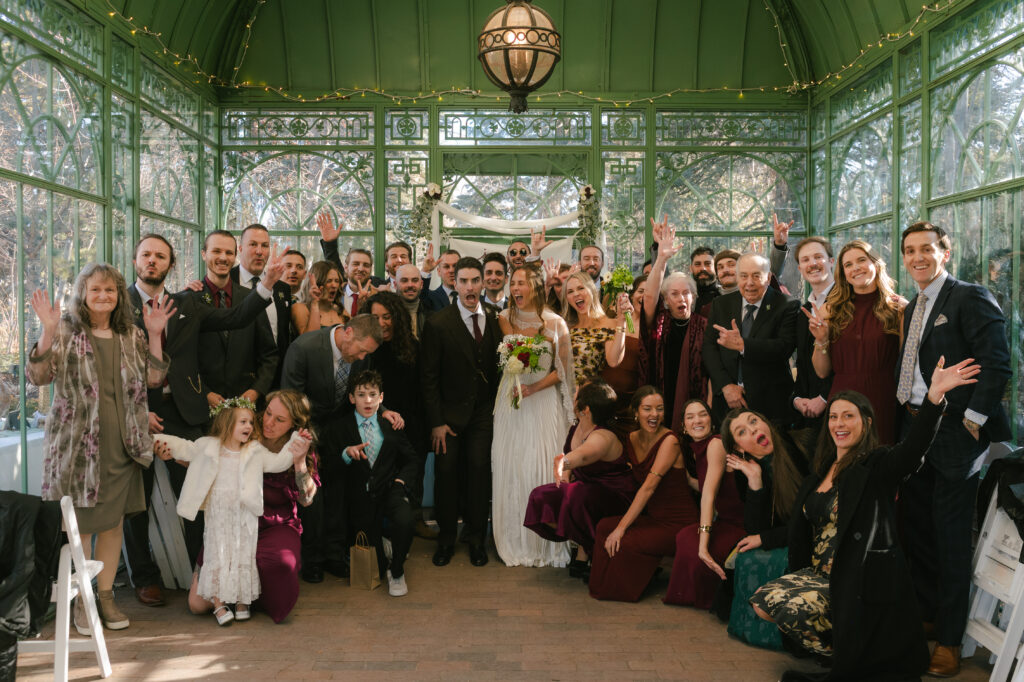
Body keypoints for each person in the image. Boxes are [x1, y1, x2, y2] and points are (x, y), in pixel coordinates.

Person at [751, 359, 979, 681]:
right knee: (762, 604)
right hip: (818, 574)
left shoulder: (877, 467)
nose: (839, 423)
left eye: (848, 416)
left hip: (854, 581)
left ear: (867, 422)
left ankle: (854, 655)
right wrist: (764, 536)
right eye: (833, 416)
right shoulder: (820, 471)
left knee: (791, 609)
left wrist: (934, 399)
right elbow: (799, 527)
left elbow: (913, 450)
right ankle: (846, 650)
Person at [124, 233, 285, 607]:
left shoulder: (189, 304)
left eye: (160, 256)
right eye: (146, 255)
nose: (152, 261)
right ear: (135, 261)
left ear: (171, 264)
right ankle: (145, 578)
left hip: (183, 412)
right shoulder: (121, 304)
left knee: (200, 494)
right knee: (137, 500)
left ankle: (205, 573)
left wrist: (266, 285)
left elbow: (236, 315)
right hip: (135, 414)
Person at [895, 221, 1012, 677]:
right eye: (909, 251)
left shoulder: (969, 296)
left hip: (956, 433)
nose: (918, 257)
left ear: (946, 252)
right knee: (920, 529)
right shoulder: (913, 307)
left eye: (927, 249)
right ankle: (930, 616)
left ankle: (950, 640)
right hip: (918, 426)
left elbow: (997, 363)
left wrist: (972, 421)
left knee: (948, 537)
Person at [27, 265, 171, 633]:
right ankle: (82, 603)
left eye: (111, 289)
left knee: (112, 524)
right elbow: (39, 376)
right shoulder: (66, 332)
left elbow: (154, 378)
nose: (104, 295)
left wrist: (155, 334)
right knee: (80, 529)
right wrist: (46, 330)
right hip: (77, 451)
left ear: (119, 295)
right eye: (96, 290)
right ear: (83, 293)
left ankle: (106, 598)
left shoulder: (131, 335)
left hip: (123, 446)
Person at [154, 398, 312, 625]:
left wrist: (296, 450)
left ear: (292, 424)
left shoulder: (253, 451)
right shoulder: (209, 446)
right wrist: (157, 442)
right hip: (219, 516)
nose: (260, 423)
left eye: (279, 419)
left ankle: (243, 599)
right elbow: (186, 449)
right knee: (215, 559)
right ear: (228, 424)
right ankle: (219, 603)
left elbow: (279, 463)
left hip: (248, 517)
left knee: (243, 554)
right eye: (266, 414)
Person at [280, 314, 383, 583]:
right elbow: (290, 400)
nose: (362, 358)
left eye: (367, 354)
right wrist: (308, 442)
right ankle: (312, 559)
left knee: (339, 492)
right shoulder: (304, 348)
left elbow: (360, 392)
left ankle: (334, 555)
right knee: (313, 496)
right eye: (361, 350)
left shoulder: (362, 355)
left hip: (340, 430)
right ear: (347, 333)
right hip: (306, 428)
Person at [420, 256, 501, 568]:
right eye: (463, 281)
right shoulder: (438, 323)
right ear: (454, 283)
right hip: (448, 418)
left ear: (482, 283)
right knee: (446, 476)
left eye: (474, 281)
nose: (469, 287)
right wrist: (436, 422)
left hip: (483, 414)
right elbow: (428, 378)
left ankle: (477, 539)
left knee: (480, 474)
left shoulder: (496, 318)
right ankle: (445, 541)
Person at [492, 265, 575, 567]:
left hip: (542, 402)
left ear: (536, 287)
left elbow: (562, 371)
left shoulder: (556, 323)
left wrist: (534, 388)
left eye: (522, 283)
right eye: (513, 282)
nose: (516, 288)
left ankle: (545, 540)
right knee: (512, 464)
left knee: (538, 464)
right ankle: (513, 537)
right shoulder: (503, 318)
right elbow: (508, 354)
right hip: (511, 399)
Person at [589, 387, 699, 602]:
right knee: (604, 526)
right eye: (647, 409)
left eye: (659, 409)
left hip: (679, 523)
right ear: (636, 412)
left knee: (624, 539)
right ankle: (601, 585)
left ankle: (617, 590)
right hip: (655, 519)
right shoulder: (631, 438)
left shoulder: (670, 441)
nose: (654, 415)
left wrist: (622, 528)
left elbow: (648, 487)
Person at [524, 381, 636, 573]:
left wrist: (563, 464)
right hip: (586, 490)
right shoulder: (577, 427)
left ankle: (589, 550)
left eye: (577, 393)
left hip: (615, 495)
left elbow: (583, 455)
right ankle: (585, 542)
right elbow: (570, 453)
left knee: (576, 495)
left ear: (586, 409)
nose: (573, 394)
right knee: (541, 496)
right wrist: (566, 475)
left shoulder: (604, 436)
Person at [719, 406, 805, 648]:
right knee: (744, 555)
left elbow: (809, 524)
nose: (754, 429)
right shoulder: (746, 469)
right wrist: (755, 481)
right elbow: (754, 528)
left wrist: (766, 540)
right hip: (785, 535)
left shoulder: (797, 447)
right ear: (738, 447)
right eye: (742, 431)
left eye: (754, 421)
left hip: (807, 537)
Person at [805, 240, 904, 444]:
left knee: (880, 459)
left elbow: (908, 363)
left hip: (884, 397)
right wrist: (821, 340)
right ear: (843, 273)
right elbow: (822, 372)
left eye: (861, 260)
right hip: (842, 398)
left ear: (876, 264)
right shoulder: (830, 310)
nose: (855, 268)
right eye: (848, 265)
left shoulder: (899, 308)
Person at [336, 370, 418, 597]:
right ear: (352, 398)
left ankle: (398, 570)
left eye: (373, 394)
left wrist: (401, 483)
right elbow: (331, 464)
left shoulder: (391, 425)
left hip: (390, 490)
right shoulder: (342, 427)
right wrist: (345, 453)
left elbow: (412, 459)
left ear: (381, 397)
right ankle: (385, 547)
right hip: (360, 499)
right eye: (361, 395)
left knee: (405, 519)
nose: (368, 400)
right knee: (375, 567)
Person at [665, 399, 745, 609]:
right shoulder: (697, 449)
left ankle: (710, 600)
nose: (697, 421)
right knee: (683, 536)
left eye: (703, 414)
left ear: (711, 419)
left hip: (741, 524)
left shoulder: (716, 444)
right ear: (683, 425)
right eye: (690, 417)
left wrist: (704, 546)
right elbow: (705, 485)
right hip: (727, 521)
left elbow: (708, 495)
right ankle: (691, 596)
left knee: (696, 545)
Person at [703, 252, 799, 426]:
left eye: (757, 276)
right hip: (727, 401)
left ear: (768, 278)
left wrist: (743, 345)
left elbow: (783, 347)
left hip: (771, 404)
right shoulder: (721, 304)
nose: (749, 283)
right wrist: (725, 386)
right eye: (744, 276)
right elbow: (709, 348)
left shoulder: (787, 305)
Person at [639, 219, 708, 434]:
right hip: (660, 398)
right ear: (666, 300)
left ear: (694, 297)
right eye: (674, 294)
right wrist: (661, 258)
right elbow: (649, 295)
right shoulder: (660, 320)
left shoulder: (704, 325)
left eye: (686, 293)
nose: (681, 298)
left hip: (695, 402)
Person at [197, 230, 278, 408]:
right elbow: (183, 359)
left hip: (245, 404)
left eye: (228, 253)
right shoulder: (190, 298)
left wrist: (256, 390)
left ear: (236, 255)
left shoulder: (252, 298)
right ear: (204, 254)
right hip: (202, 405)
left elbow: (269, 354)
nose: (223, 258)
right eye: (216, 251)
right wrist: (205, 392)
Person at [773, 235, 835, 442]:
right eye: (806, 260)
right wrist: (798, 398)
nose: (813, 264)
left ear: (831, 262)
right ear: (799, 269)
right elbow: (803, 363)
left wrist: (825, 398)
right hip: (808, 412)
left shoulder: (845, 303)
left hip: (837, 406)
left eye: (819, 257)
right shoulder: (804, 311)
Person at [233, 224, 295, 381]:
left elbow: (282, 335)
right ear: (240, 248)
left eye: (265, 245)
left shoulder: (282, 289)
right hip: (234, 377)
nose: (259, 251)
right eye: (253, 244)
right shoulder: (225, 281)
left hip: (274, 377)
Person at [562, 271, 627, 387]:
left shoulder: (609, 324)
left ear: (592, 290)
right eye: (570, 291)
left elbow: (613, 361)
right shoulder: (565, 327)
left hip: (586, 396)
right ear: (566, 298)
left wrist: (622, 322)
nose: (576, 294)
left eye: (581, 288)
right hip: (558, 392)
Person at [291, 261, 346, 333]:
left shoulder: (341, 311)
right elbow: (310, 340)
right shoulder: (300, 308)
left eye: (336, 281)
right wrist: (315, 303)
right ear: (316, 283)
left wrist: (360, 305)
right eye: (329, 281)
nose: (334, 285)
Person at [394, 263, 429, 338]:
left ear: (421, 284)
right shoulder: (389, 315)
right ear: (395, 285)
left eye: (415, 280)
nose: (410, 285)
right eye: (404, 280)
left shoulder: (431, 316)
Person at [690, 246, 719, 311]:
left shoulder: (724, 294)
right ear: (691, 268)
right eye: (697, 264)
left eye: (707, 264)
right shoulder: (685, 296)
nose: (703, 268)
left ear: (716, 267)